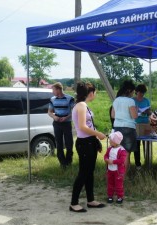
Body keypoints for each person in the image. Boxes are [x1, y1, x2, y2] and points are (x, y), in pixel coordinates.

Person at [69, 82, 106, 213]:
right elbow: (83, 126)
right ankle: (74, 203)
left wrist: (96, 139)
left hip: (89, 142)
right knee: (83, 173)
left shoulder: (83, 105)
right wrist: (98, 134)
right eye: (95, 92)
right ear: (90, 93)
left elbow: (88, 126)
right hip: (84, 143)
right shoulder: (81, 106)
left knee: (89, 172)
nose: (95, 94)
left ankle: (90, 200)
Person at [111, 80, 138, 171]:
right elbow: (134, 116)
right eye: (133, 91)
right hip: (128, 128)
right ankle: (123, 177)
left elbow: (113, 115)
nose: (133, 93)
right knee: (126, 154)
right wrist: (136, 110)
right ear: (129, 90)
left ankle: (116, 174)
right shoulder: (130, 101)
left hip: (117, 127)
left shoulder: (116, 100)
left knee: (118, 152)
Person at [48, 82, 74, 168]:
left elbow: (74, 111)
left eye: (53, 89)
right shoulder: (52, 99)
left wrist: (66, 117)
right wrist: (54, 117)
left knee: (69, 143)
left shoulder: (70, 98)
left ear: (59, 89)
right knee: (58, 143)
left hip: (66, 123)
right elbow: (49, 112)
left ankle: (68, 161)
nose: (52, 92)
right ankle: (62, 163)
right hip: (57, 123)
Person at [104, 131, 127, 204]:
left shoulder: (122, 150)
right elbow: (106, 155)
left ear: (116, 141)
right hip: (110, 170)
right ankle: (110, 196)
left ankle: (120, 197)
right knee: (110, 183)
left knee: (118, 185)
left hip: (118, 172)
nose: (109, 141)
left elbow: (122, 160)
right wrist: (106, 159)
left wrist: (113, 162)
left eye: (111, 140)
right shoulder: (110, 148)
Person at [133, 84, 151, 170]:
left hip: (145, 123)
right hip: (135, 123)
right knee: (136, 144)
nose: (142, 95)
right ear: (136, 92)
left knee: (147, 143)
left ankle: (147, 161)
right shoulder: (132, 100)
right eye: (140, 93)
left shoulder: (146, 100)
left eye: (143, 93)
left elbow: (149, 111)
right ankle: (138, 164)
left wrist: (148, 111)